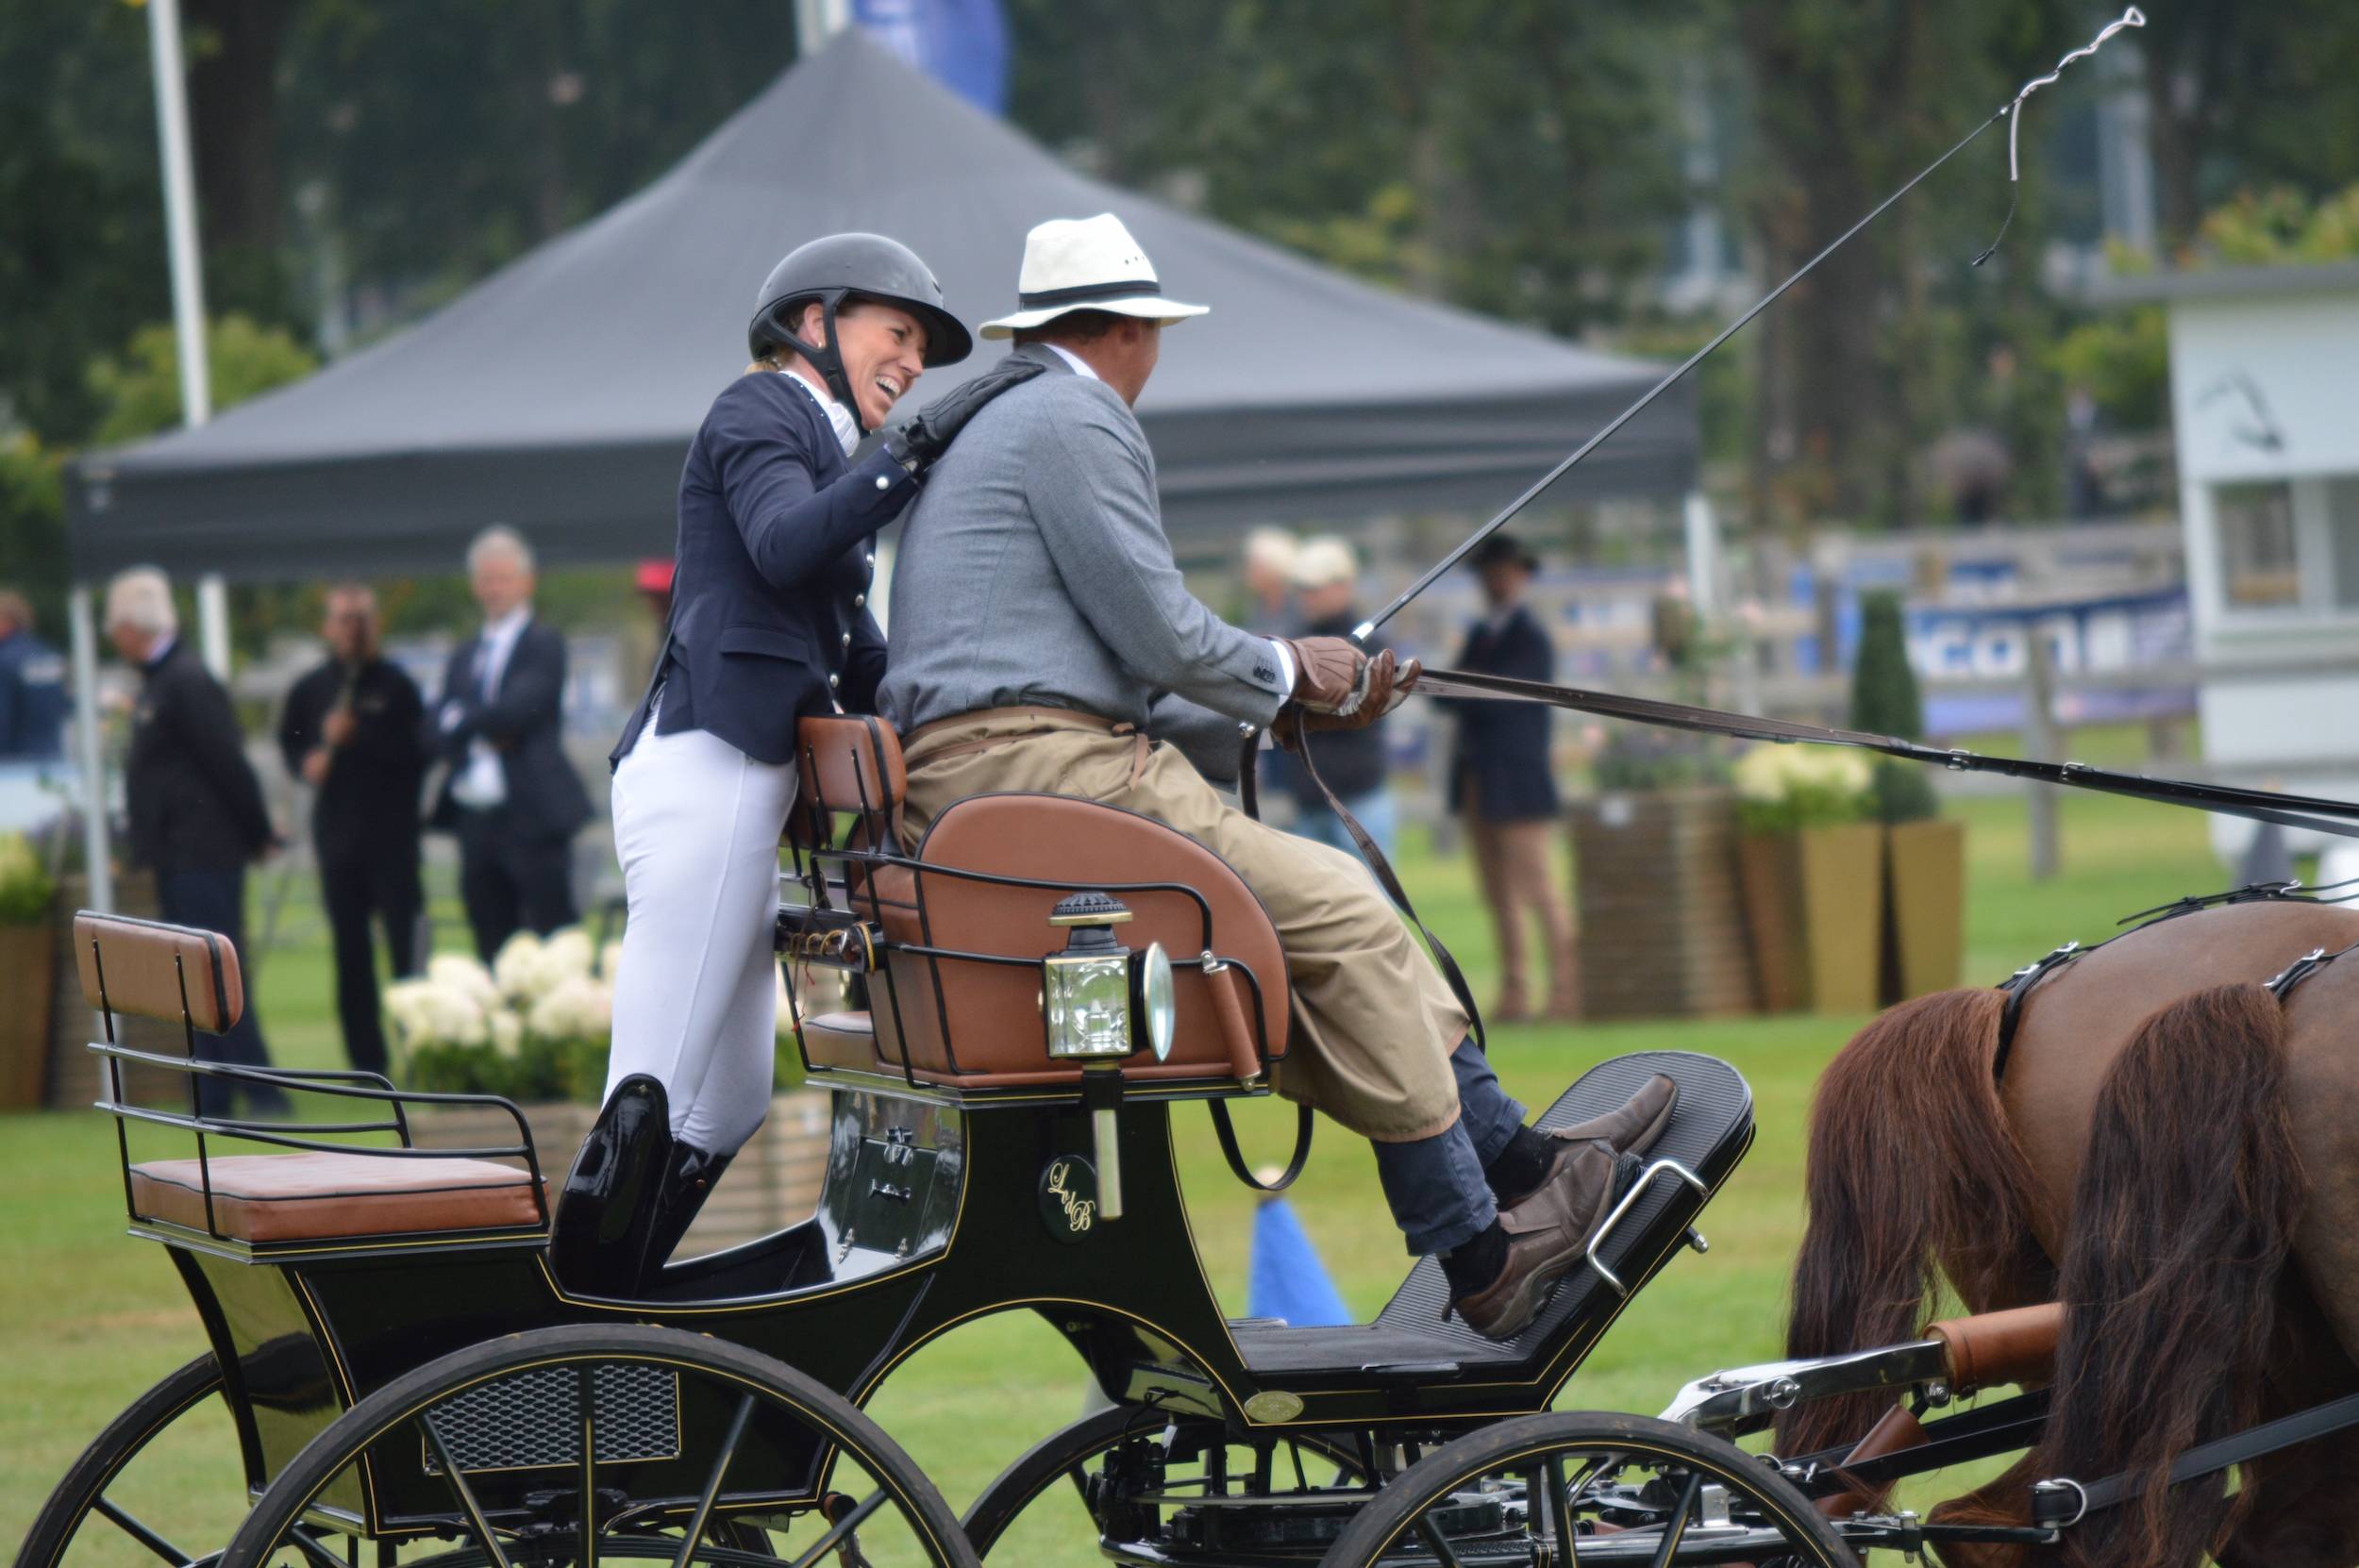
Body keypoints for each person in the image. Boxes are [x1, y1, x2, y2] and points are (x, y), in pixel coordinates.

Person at [878, 213, 1676, 1339]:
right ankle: (1484, 1247)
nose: (1155, 357)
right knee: (1347, 911)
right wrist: (1288, 667)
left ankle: (1519, 1162)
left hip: (1022, 770)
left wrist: (1302, 691)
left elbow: (1080, 659)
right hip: (1044, 776)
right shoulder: (1072, 416)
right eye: (1154, 334)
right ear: (1124, 333)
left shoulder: (1004, 422)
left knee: (1330, 926)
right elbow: (1156, 631)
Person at [551, 232, 1039, 1295]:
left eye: (921, 348)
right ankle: (574, 1326)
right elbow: (781, 544)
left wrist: (992, 699)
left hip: (737, 783)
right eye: (896, 333)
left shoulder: (825, 441)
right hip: (711, 770)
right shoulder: (761, 408)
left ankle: (621, 1303)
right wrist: (905, 456)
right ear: (812, 322)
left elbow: (863, 655)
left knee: (729, 1104)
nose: (912, 363)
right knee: (652, 1090)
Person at [106, 567, 286, 1116]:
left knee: (216, 973)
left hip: (203, 853)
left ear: (134, 626)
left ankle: (258, 1089)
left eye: (115, 625)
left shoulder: (186, 680)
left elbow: (226, 762)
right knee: (196, 977)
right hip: (178, 854)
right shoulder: (159, 683)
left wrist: (258, 832)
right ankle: (218, 1088)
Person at [277, 584, 427, 1076]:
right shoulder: (311, 689)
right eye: (342, 619)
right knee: (350, 953)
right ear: (328, 626)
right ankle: (366, 1064)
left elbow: (414, 754)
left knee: (406, 949)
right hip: (339, 841)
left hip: (392, 840)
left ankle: (419, 1048)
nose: (351, 628)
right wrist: (308, 762)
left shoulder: (397, 686)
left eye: (360, 618)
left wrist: (359, 737)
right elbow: (292, 745)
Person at [426, 526, 592, 962]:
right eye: (486, 579)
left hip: (532, 815)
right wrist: (470, 725)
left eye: (503, 578)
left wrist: (464, 718)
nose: (494, 589)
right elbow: (435, 725)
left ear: (525, 581)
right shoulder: (465, 654)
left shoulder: (543, 643)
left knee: (553, 937)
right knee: (489, 936)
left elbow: (521, 709)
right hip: (477, 818)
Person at [1447, 535, 1577, 1022]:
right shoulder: (1483, 635)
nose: (1495, 581)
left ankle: (1566, 992)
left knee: (1538, 887)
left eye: (1504, 572)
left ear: (1520, 576)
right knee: (1498, 893)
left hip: (1518, 781)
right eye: (1489, 573)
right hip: (1480, 779)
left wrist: (1468, 689)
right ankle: (1516, 992)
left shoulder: (1529, 638)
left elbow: (1495, 697)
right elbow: (1453, 693)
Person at [1283, 536, 1396, 862]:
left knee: (1373, 904)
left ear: (1344, 586)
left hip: (1359, 796)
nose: (1307, 597)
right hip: (1310, 797)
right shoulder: (1295, 641)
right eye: (1302, 589)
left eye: (1315, 588)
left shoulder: (1373, 646)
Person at [0, 590, 68, 760]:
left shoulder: (5, 661)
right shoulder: (50, 655)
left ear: (7, 622)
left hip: (13, 765)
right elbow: (65, 705)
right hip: (52, 756)